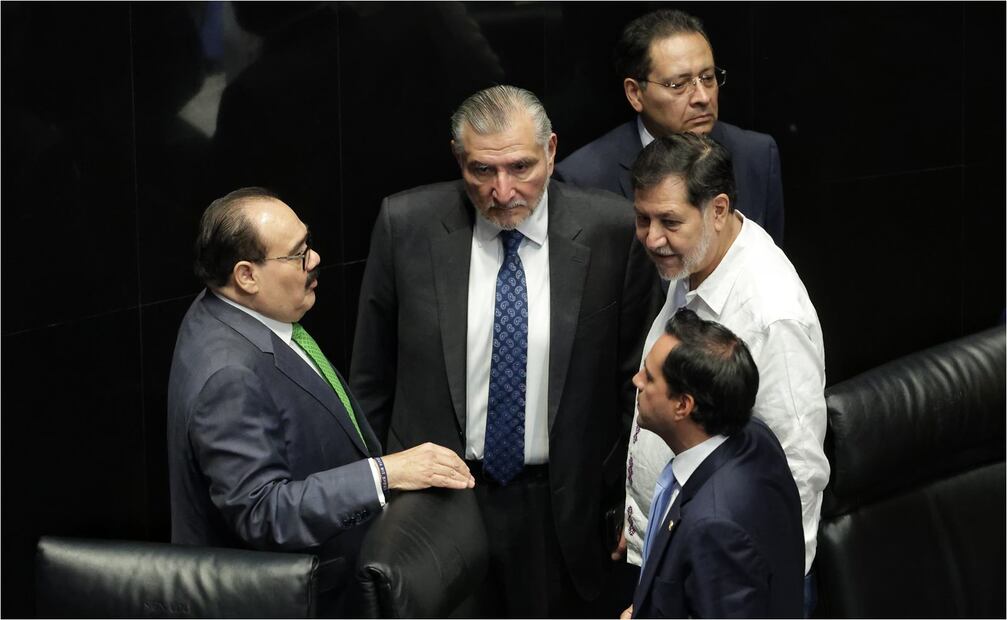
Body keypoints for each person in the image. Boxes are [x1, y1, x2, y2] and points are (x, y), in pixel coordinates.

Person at [350, 85, 657, 617]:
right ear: (458, 159)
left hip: (562, 508)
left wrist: (628, 502)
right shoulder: (406, 225)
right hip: (435, 504)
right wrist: (373, 495)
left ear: (551, 151)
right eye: (482, 170)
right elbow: (371, 380)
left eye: (520, 167)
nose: (503, 190)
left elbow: (634, 381)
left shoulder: (612, 230)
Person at [167, 187, 474, 616]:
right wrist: (385, 474)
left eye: (307, 243)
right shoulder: (229, 375)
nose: (314, 259)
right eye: (297, 255)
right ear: (246, 276)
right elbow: (263, 512)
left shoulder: (231, 311)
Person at [624, 133, 828, 615]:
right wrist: (640, 524)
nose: (652, 238)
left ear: (717, 210)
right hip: (677, 550)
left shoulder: (772, 315)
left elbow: (796, 469)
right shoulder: (696, 258)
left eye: (669, 221)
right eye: (643, 219)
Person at [625, 308, 804, 618]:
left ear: (683, 405)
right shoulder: (754, 437)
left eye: (650, 377)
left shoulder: (715, 528)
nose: (637, 380)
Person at [554, 9, 785, 247]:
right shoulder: (583, 178)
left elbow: (769, 260)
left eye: (707, 78)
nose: (703, 97)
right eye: (679, 84)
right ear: (635, 93)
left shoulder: (756, 156)